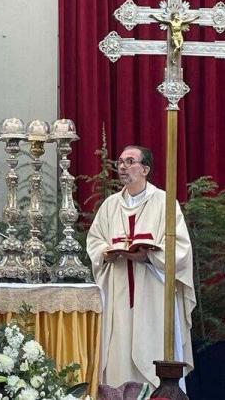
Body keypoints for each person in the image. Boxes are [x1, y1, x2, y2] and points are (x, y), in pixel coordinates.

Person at [86, 145, 196, 388]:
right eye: (120, 162)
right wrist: (107, 252)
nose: (123, 167)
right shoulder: (110, 206)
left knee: (153, 351)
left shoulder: (165, 203)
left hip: (153, 296)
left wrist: (146, 257)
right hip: (118, 294)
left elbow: (180, 249)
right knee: (118, 353)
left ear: (145, 169)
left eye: (130, 161)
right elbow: (95, 241)